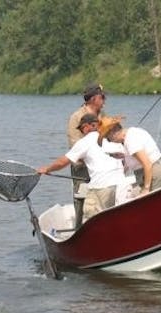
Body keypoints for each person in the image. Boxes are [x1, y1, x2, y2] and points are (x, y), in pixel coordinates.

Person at [38, 113, 125, 222]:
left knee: (91, 218)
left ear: (89, 126)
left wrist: (47, 169)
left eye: (82, 128)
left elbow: (63, 162)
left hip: (101, 186)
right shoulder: (113, 137)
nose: (81, 131)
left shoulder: (86, 141)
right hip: (122, 185)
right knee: (114, 217)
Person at [98, 117, 161, 195]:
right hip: (154, 170)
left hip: (155, 173)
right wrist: (125, 156)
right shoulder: (132, 132)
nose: (110, 142)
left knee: (154, 202)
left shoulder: (130, 140)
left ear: (113, 132)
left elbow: (147, 164)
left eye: (108, 139)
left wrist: (146, 189)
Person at [66, 83, 107, 220]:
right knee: (81, 200)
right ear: (94, 99)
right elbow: (75, 146)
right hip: (83, 170)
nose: (104, 100)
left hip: (102, 169)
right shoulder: (76, 117)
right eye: (102, 97)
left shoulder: (104, 116)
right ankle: (78, 230)